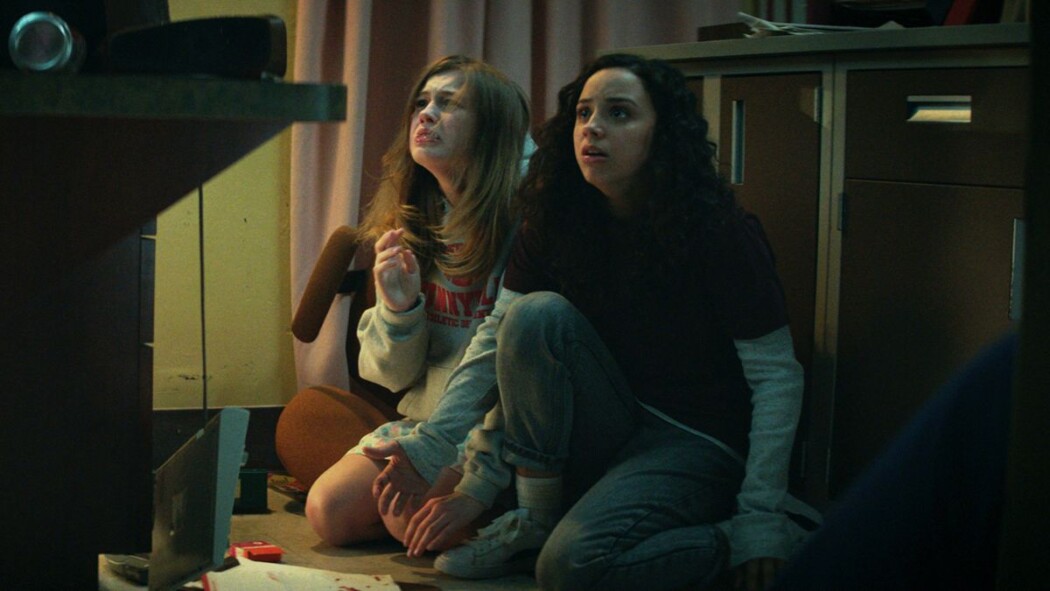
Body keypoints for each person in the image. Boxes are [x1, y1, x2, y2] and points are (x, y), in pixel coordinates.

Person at [395, 53, 816, 590]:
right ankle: (534, 521)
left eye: (619, 114)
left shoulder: (719, 231)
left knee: (570, 570)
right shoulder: (555, 215)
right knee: (533, 315)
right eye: (583, 113)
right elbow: (498, 340)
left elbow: (778, 378)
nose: (592, 128)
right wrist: (438, 446)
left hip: (695, 438)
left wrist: (761, 515)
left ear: (662, 133)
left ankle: (774, 536)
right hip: (609, 419)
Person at [304, 55, 531, 548]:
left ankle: (515, 522)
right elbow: (391, 378)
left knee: (409, 525)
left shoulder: (527, 219)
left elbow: (505, 369)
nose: (425, 114)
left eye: (448, 104)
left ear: (492, 127)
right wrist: (399, 309)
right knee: (328, 512)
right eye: (422, 102)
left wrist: (442, 459)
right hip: (428, 421)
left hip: (497, 431)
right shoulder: (419, 217)